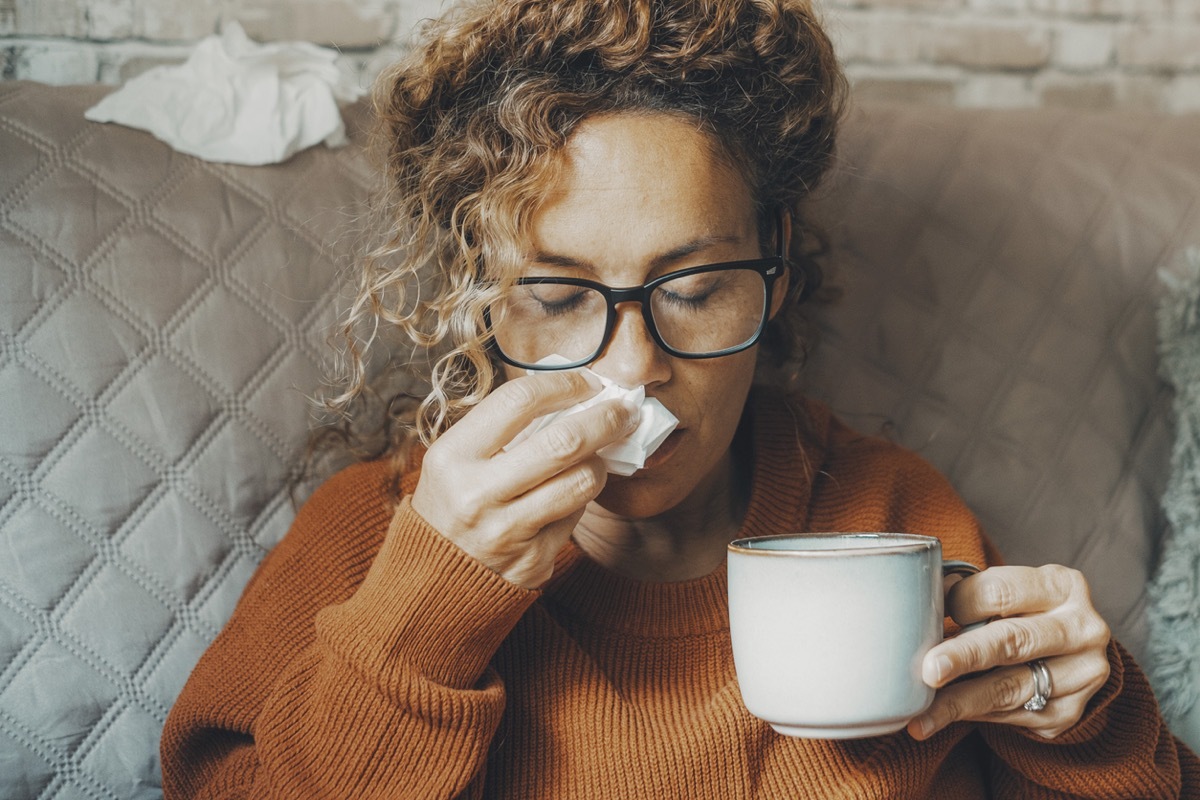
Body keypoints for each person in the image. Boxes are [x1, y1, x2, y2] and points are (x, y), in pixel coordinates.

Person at [160, 0, 1199, 797]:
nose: (630, 369)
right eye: (561, 296)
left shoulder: (890, 518)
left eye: (695, 290)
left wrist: (1090, 721)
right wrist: (420, 623)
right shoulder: (377, 535)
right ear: (483, 299)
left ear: (775, 267)